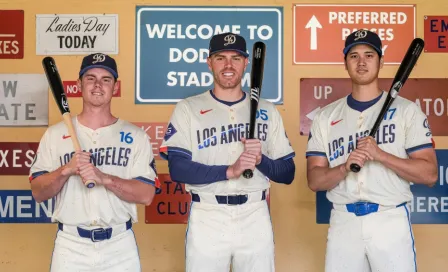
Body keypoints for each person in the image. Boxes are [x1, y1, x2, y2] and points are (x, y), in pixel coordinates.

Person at [159, 32, 295, 272]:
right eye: (220, 58)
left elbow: (287, 173)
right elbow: (178, 168)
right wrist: (231, 170)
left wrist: (260, 160)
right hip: (207, 214)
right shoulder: (188, 108)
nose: (228, 65)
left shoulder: (267, 111)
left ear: (246, 63)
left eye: (236, 58)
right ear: (209, 62)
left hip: (255, 214)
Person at [306, 29, 438, 272]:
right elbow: (314, 180)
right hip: (344, 222)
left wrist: (380, 155)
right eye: (354, 56)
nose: (362, 62)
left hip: (389, 220)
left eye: (369, 55)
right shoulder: (325, 117)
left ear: (381, 61)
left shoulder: (406, 112)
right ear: (345, 63)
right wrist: (345, 167)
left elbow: (429, 174)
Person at [29, 53, 160, 272]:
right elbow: (38, 193)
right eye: (90, 78)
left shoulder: (136, 136)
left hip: (119, 245)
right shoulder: (55, 135)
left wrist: (104, 178)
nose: (98, 85)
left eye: (106, 79)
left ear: (115, 87)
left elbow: (146, 195)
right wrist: (66, 170)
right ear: (79, 84)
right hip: (70, 245)